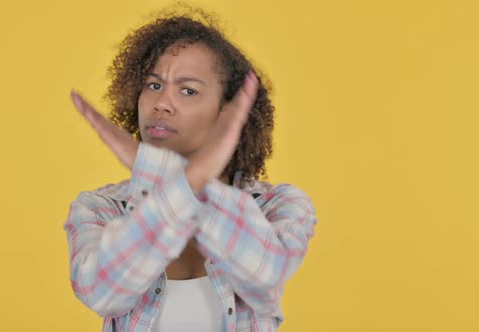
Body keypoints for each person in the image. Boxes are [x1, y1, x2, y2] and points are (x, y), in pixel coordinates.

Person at [63, 6, 318, 332]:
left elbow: (265, 276)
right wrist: (187, 179)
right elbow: (101, 292)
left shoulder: (277, 206)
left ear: (226, 113)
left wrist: (164, 174)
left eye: (188, 90)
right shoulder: (103, 208)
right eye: (153, 85)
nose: (161, 103)